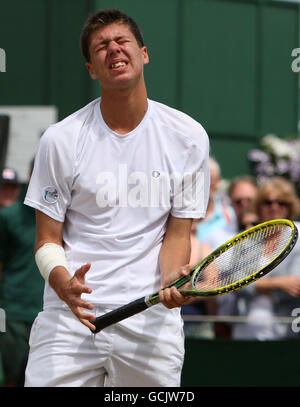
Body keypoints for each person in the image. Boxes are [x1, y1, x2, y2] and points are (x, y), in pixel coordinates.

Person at [23, 9, 210, 387]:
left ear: (143, 53)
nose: (113, 50)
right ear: (91, 69)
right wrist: (63, 283)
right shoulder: (60, 139)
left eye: (121, 41)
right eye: (101, 46)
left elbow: (177, 234)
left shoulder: (189, 136)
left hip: (150, 322)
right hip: (69, 321)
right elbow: (46, 239)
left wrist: (174, 276)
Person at [232, 176, 300, 340]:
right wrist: (278, 283)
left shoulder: (298, 236)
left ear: (290, 207)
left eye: (281, 203)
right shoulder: (247, 240)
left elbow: (295, 287)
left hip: (287, 332)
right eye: (268, 202)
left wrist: (255, 284)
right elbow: (235, 283)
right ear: (259, 206)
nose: (274, 207)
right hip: (246, 332)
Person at [0, 161, 44, 386]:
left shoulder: (65, 215)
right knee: (10, 378)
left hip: (47, 311)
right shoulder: (8, 216)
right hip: (13, 311)